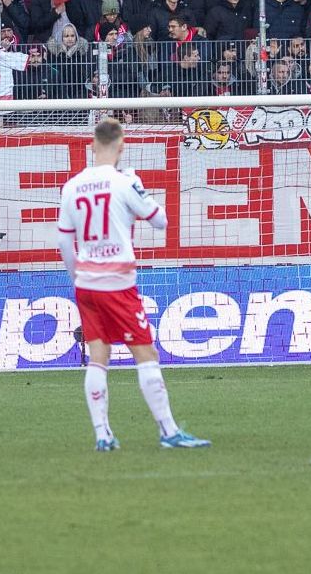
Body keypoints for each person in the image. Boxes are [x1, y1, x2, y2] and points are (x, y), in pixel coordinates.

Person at [55, 117, 210, 451]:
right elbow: (161, 221)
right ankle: (169, 431)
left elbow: (66, 243)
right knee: (146, 353)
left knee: (98, 354)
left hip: (86, 284)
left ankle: (102, 434)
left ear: (92, 146)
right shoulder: (125, 183)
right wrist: (139, 187)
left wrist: (76, 278)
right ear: (122, 146)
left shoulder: (72, 186)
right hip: (118, 283)